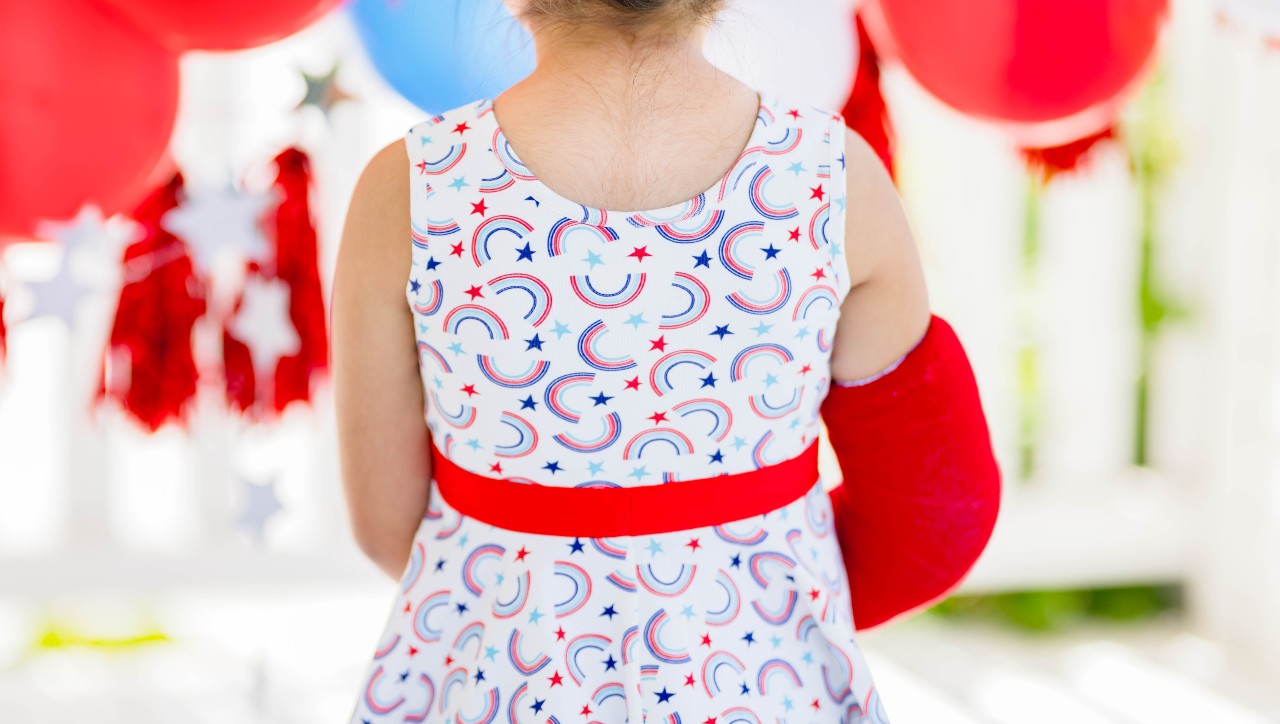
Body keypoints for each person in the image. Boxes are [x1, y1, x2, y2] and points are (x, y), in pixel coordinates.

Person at [330, 0, 995, 721]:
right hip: (761, 681)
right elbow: (934, 512)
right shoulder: (832, 179)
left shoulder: (411, 187)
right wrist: (755, 585)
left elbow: (386, 523)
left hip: (499, 677)